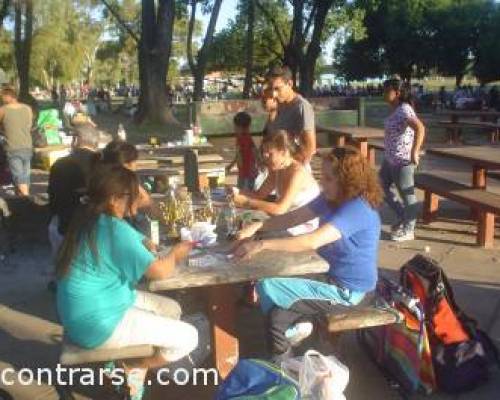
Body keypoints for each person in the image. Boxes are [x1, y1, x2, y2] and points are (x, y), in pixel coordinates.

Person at [56, 165, 198, 400]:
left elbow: (137, 241)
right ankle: (137, 367)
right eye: (132, 194)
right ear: (114, 199)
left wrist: (147, 244)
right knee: (190, 337)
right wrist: (176, 253)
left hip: (89, 309)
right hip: (98, 323)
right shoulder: (113, 230)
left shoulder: (91, 218)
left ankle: (120, 364)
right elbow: (160, 271)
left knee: (173, 309)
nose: (137, 198)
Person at [232, 146, 382, 361]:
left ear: (348, 180)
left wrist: (262, 245)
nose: (323, 183)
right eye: (323, 176)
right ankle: (293, 347)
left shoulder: (357, 208)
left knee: (268, 287)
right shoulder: (332, 197)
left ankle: (284, 362)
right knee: (277, 316)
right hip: (326, 275)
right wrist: (256, 227)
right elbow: (293, 218)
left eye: (329, 179)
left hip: (349, 292)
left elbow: (312, 240)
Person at [230, 130, 319, 236]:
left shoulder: (297, 173)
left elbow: (280, 209)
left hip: (303, 226)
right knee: (239, 224)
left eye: (269, 153)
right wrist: (235, 192)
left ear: (285, 152)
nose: (265, 156)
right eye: (264, 152)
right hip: (286, 220)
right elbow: (259, 195)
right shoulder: (276, 169)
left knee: (249, 232)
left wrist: (246, 202)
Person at [380, 78, 425, 242]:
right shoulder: (395, 109)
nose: (383, 93)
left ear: (397, 93)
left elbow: (420, 128)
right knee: (380, 187)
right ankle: (403, 216)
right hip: (390, 158)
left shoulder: (404, 109)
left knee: (407, 195)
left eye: (386, 91)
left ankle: (409, 229)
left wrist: (415, 151)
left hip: (403, 160)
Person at [266, 65, 316, 166]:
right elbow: (271, 135)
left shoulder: (302, 107)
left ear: (290, 83)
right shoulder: (278, 104)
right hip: (278, 165)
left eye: (277, 89)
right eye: (271, 88)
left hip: (293, 166)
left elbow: (310, 148)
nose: (273, 94)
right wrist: (272, 112)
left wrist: (292, 166)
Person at [0, 86, 34, 196]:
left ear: (8, 96)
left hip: (13, 146)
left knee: (18, 176)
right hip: (27, 145)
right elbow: (29, 126)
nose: (2, 99)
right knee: (25, 176)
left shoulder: (3, 110)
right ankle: (21, 202)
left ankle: (26, 198)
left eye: (3, 97)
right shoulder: (28, 109)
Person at [225, 111, 260, 190]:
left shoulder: (240, 139)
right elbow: (255, 151)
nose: (234, 129)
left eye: (235, 127)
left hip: (245, 173)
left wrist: (232, 166)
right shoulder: (248, 138)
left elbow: (239, 156)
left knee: (243, 193)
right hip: (250, 172)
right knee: (249, 191)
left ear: (239, 127)